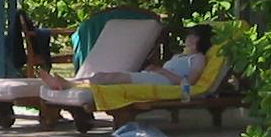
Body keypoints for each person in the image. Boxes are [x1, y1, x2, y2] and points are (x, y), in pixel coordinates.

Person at [39, 25, 209, 91]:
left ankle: (67, 84)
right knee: (104, 77)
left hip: (163, 82)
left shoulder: (198, 58)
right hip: (155, 77)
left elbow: (189, 82)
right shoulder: (180, 56)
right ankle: (68, 82)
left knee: (106, 77)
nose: (188, 38)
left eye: (193, 36)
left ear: (199, 40)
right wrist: (157, 70)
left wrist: (160, 71)